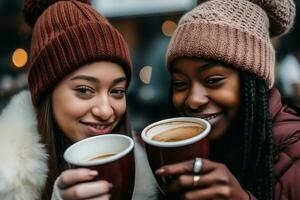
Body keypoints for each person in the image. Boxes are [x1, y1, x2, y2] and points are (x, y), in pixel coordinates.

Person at [0, 0, 156, 199]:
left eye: (117, 91)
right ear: (47, 93)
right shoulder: (6, 178)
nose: (106, 111)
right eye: (84, 90)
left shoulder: (149, 169)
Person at [154, 0, 300, 199]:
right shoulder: (202, 143)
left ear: (253, 84)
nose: (193, 101)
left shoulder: (294, 149)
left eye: (213, 80)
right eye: (180, 84)